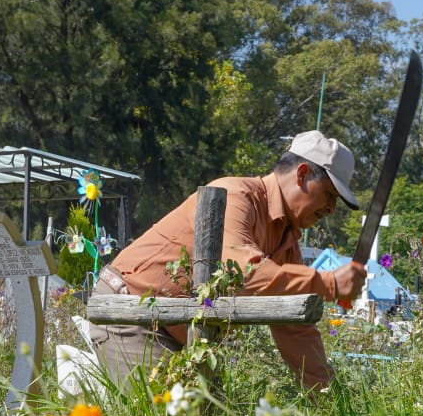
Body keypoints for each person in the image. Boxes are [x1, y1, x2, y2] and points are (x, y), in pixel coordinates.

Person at [87, 131, 369, 391]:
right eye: (329, 195)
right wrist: (329, 283)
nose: (331, 209)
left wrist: (330, 399)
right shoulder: (235, 195)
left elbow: (295, 329)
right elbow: (243, 273)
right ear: (303, 174)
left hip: (182, 334)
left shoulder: (286, 240)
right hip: (130, 315)